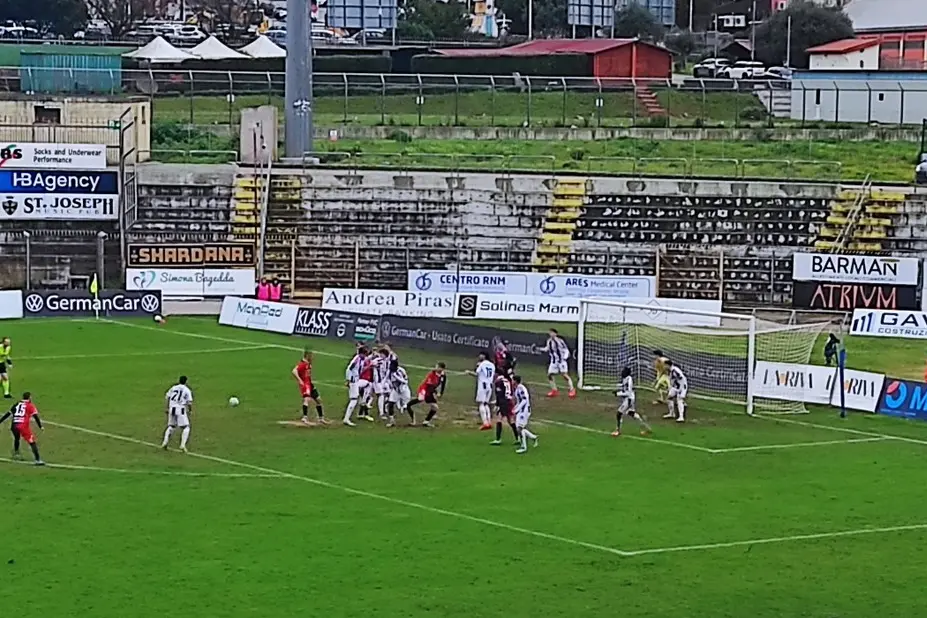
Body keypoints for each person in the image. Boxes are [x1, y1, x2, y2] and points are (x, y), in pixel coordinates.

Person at [0, 392, 43, 465]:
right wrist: (40, 426)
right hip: (23, 426)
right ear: (29, 398)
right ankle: (38, 459)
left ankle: (16, 453)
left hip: (14, 425)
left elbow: (8, 413)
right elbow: (35, 416)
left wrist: (0, 421)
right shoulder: (30, 405)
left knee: (17, 438)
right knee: (32, 442)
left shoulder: (17, 404)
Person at [612, 367, 651, 437]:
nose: (622, 372)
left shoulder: (629, 379)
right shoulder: (625, 379)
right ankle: (646, 427)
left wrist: (618, 394)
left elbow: (628, 392)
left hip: (629, 399)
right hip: (629, 398)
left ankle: (618, 431)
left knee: (619, 413)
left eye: (623, 371)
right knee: (631, 413)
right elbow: (624, 389)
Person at [293, 351, 327, 425]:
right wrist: (300, 380)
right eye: (311, 356)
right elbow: (294, 371)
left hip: (310, 384)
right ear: (307, 356)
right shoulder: (302, 364)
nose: (312, 358)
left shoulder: (308, 364)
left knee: (318, 400)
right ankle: (304, 418)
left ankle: (321, 418)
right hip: (306, 385)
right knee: (306, 399)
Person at [408, 362, 447, 427]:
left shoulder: (443, 375)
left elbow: (443, 385)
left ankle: (426, 422)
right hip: (425, 390)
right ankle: (409, 405)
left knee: (434, 407)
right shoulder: (432, 374)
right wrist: (435, 393)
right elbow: (429, 386)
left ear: (442, 368)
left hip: (431, 391)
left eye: (437, 367)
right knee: (422, 399)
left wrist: (440, 393)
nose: (436, 368)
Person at [162, 376, 194, 452]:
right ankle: (182, 445)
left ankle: (165, 442)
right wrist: (190, 410)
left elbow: (168, 397)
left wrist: (167, 408)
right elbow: (189, 402)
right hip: (180, 409)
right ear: (186, 381)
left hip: (171, 408)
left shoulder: (173, 388)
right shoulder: (187, 390)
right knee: (186, 427)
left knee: (171, 426)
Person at [466, 351, 496, 430]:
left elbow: (477, 374)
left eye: (481, 355)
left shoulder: (482, 364)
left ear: (484, 356)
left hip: (483, 385)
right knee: (486, 404)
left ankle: (485, 423)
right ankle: (489, 422)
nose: (479, 356)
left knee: (481, 404)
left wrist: (469, 372)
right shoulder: (492, 365)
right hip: (489, 385)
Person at [543, 329, 576, 399]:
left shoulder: (560, 341)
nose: (550, 334)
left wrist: (565, 358)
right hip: (554, 362)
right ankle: (554, 390)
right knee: (549, 375)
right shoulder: (549, 341)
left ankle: (572, 389)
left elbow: (566, 349)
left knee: (564, 375)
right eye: (550, 332)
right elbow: (547, 348)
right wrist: (539, 349)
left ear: (555, 334)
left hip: (561, 361)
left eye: (552, 332)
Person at [342, 347, 371, 427]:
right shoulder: (356, 359)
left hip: (356, 380)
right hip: (353, 381)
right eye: (365, 354)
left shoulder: (361, 360)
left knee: (366, 386)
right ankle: (346, 419)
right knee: (354, 399)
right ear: (361, 353)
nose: (365, 356)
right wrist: (348, 380)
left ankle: (347, 418)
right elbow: (349, 369)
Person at [512, 376, 539, 454]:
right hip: (520, 411)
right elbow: (519, 401)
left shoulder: (521, 388)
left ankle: (524, 447)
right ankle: (533, 437)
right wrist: (515, 408)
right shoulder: (517, 389)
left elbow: (524, 400)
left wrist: (517, 409)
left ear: (515, 381)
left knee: (519, 428)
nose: (512, 381)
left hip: (524, 411)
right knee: (519, 428)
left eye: (513, 380)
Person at [490, 372, 518, 446]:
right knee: (510, 420)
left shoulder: (498, 382)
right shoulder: (507, 380)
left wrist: (497, 405)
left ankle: (498, 439)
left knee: (499, 418)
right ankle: (518, 438)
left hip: (504, 402)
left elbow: (500, 394)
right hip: (509, 401)